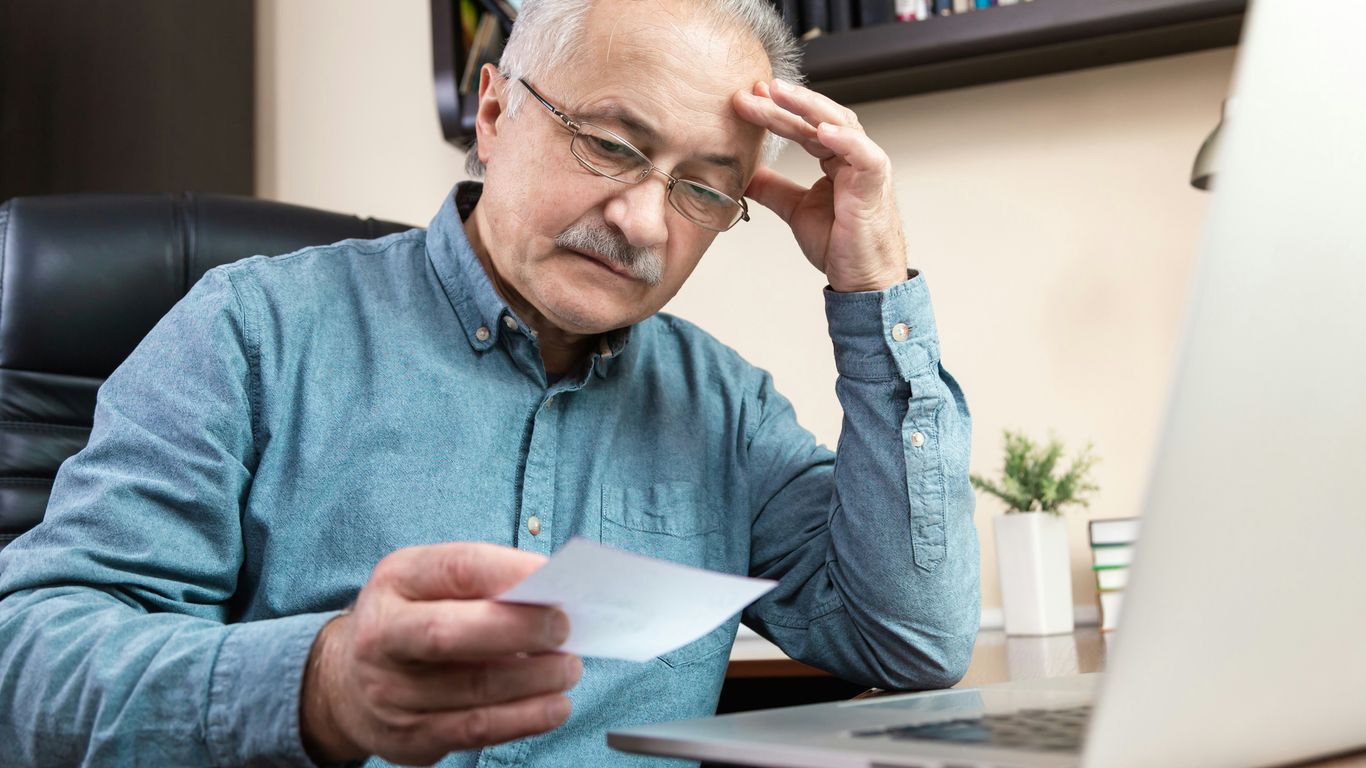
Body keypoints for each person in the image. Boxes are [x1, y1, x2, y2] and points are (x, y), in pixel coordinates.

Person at [0, 0, 979, 765]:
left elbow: (909, 643)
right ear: (496, 112)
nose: (642, 222)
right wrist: (323, 688)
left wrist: (874, 283)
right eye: (610, 144)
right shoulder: (249, 331)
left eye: (702, 188)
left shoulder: (723, 411)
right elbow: (31, 665)